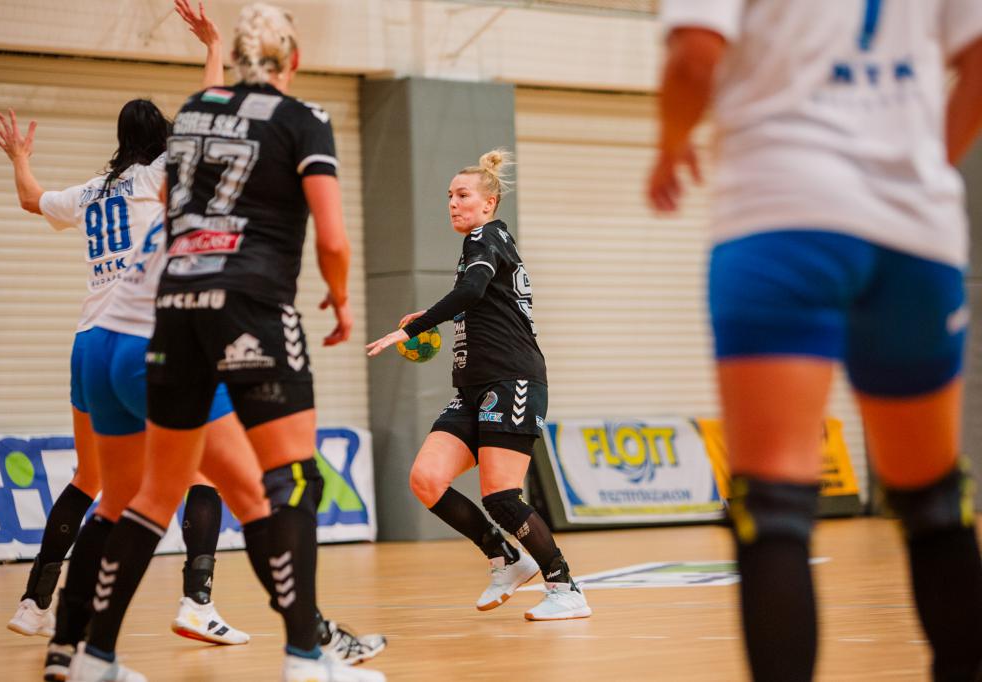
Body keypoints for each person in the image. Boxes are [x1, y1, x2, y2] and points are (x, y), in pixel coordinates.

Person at [650, 1, 982, 680]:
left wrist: (670, 142)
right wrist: (926, 166)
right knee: (934, 497)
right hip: (915, 229)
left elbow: (694, 59)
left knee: (773, 499)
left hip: (781, 211)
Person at [66, 3, 385, 681]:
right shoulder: (304, 119)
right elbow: (332, 237)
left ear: (238, 60)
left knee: (156, 494)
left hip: (174, 307)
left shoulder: (191, 113)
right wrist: (341, 296)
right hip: (250, 303)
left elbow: (176, 204)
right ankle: (306, 658)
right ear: (293, 60)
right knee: (292, 477)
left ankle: (96, 658)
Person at [0, 0, 249, 654]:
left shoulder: (93, 191)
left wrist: (20, 155)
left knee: (92, 479)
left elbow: (28, 198)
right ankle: (198, 602)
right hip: (144, 337)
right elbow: (211, 110)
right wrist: (212, 45)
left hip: (89, 341)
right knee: (200, 475)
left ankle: (36, 603)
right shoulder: (160, 176)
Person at [366, 149, 592, 621]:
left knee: (501, 496)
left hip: (512, 380)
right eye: (449, 196)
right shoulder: (486, 244)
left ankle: (564, 587)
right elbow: (479, 298)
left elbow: (471, 291)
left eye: (463, 195)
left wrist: (413, 328)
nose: (453, 203)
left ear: (489, 202)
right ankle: (505, 557)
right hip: (473, 387)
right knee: (427, 479)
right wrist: (438, 316)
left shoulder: (484, 235)